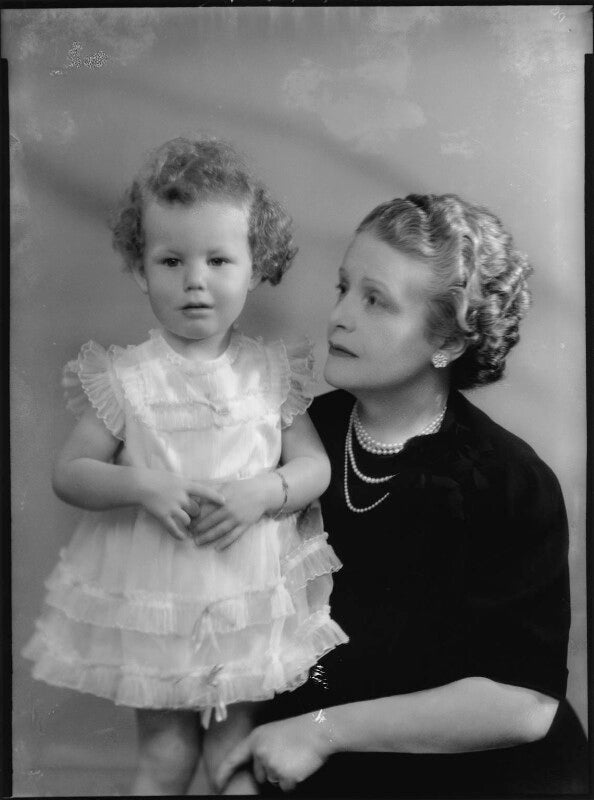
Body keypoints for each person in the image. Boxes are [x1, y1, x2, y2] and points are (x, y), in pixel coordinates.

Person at [215, 193, 589, 796]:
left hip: (480, 775)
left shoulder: (508, 481)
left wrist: (319, 732)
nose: (339, 316)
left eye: (376, 301)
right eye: (343, 288)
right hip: (313, 757)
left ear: (449, 342)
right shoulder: (294, 437)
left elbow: (525, 704)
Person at [22, 137, 348, 796]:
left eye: (218, 260)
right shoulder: (129, 377)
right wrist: (142, 483)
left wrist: (267, 489)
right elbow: (71, 472)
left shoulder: (269, 373)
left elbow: (315, 466)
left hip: (247, 593)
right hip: (161, 598)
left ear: (254, 267)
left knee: (233, 755)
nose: (194, 280)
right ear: (142, 270)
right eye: (171, 261)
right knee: (167, 755)